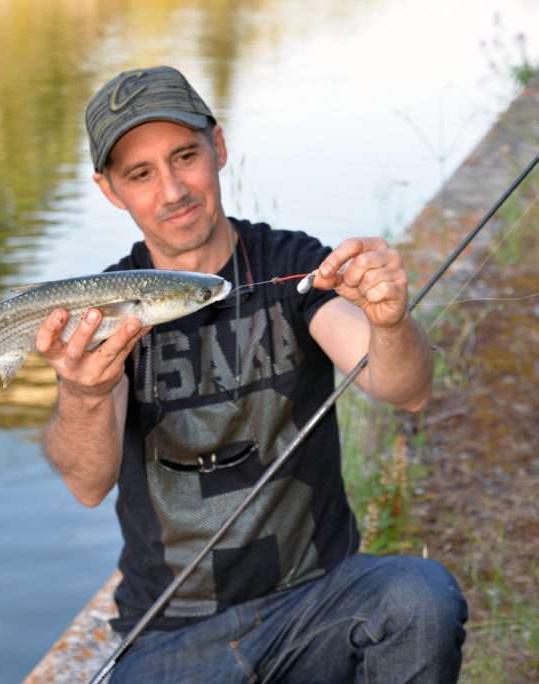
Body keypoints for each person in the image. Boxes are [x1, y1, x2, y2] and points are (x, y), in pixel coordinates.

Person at [36, 66, 468, 682]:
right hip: (172, 634)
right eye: (141, 174)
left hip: (315, 604)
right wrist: (82, 393)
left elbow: (406, 389)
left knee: (419, 598)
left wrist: (392, 321)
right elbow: (85, 483)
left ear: (218, 146)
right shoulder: (108, 308)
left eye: (185, 156)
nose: (172, 190)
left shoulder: (292, 264)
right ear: (110, 190)